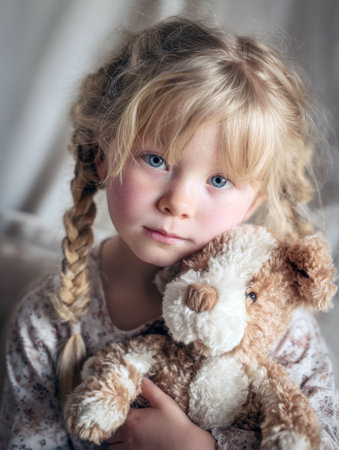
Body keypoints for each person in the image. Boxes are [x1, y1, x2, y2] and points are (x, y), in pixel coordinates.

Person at [0, 16, 337, 450]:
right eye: (156, 160)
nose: (177, 203)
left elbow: (320, 437)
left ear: (253, 204)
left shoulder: (276, 320)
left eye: (218, 181)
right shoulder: (46, 323)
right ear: (103, 155)